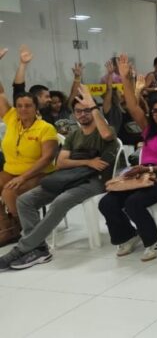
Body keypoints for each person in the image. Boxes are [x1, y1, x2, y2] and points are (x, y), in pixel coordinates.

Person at [0, 85, 118, 270]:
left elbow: (106, 134)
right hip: (67, 177)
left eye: (87, 110)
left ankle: (21, 249)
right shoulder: (73, 135)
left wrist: (94, 107)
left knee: (60, 202)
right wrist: (87, 162)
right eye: (78, 111)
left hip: (95, 180)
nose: (83, 114)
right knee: (24, 201)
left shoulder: (106, 129)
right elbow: (61, 163)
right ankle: (39, 248)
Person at [98, 54, 157, 262]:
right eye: (155, 111)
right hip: (141, 174)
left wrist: (149, 170)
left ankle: (152, 241)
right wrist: (125, 78)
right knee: (106, 203)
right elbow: (132, 106)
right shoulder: (149, 129)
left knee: (134, 202)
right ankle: (127, 235)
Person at [0, 51, 58, 244]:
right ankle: (6, 227)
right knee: (6, 185)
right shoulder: (11, 119)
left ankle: (26, 229)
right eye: (19, 106)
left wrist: (23, 178)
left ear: (36, 108)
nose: (23, 109)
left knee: (9, 191)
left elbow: (47, 159)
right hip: (10, 170)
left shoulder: (45, 128)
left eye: (28, 105)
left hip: (38, 174)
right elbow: (0, 94)